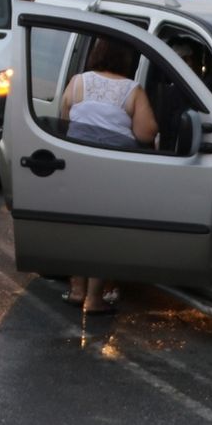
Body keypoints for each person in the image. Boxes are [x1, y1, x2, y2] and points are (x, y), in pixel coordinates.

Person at [55, 40, 157, 315]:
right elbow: (147, 133)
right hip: (113, 169)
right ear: (127, 60)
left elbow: (65, 120)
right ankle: (94, 297)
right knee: (102, 231)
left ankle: (76, 289)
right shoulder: (132, 90)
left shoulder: (77, 83)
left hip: (77, 164)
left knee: (78, 227)